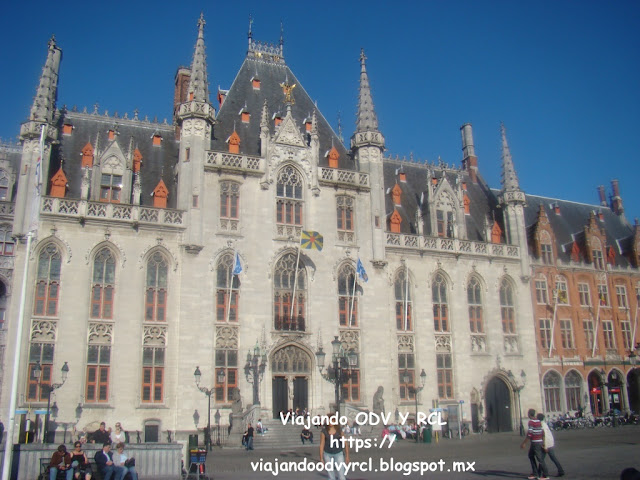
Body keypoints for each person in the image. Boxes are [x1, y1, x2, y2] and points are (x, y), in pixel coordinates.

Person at [520, 409, 549, 480]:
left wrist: (524, 443)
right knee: (531, 456)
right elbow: (543, 433)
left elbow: (530, 433)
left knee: (540, 459)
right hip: (538, 442)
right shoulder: (538, 421)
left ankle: (545, 475)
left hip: (536, 442)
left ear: (529, 414)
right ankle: (535, 473)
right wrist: (543, 443)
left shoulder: (531, 422)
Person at [320, 413, 349, 480]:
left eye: (332, 420)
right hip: (327, 453)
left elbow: (345, 443)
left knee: (341, 475)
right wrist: (321, 458)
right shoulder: (324, 431)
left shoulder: (339, 431)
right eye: (328, 420)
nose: (330, 422)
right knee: (331, 476)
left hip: (338, 453)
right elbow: (322, 445)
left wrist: (347, 455)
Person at [537, 413, 564, 477]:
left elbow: (544, 436)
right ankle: (561, 470)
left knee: (541, 459)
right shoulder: (544, 424)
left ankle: (539, 473)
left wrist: (545, 446)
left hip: (547, 444)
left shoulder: (542, 425)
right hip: (550, 443)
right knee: (552, 458)